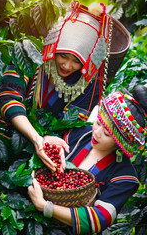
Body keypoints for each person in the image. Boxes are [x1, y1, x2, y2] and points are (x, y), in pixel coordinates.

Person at [0, 0, 130, 171]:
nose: (67, 66)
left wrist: (47, 141)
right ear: (54, 48)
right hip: (3, 135)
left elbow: (72, 125)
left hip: (42, 154)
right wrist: (37, 138)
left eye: (77, 61)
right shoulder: (31, 58)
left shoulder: (86, 84)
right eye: (63, 56)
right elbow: (7, 96)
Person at [28, 85, 147, 234]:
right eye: (98, 122)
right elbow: (44, 142)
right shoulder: (79, 132)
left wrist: (45, 207)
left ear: (120, 142)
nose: (96, 133)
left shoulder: (125, 176)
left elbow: (101, 218)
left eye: (106, 133)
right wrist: (46, 140)